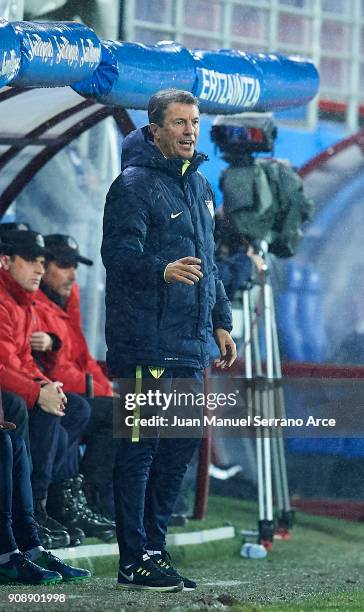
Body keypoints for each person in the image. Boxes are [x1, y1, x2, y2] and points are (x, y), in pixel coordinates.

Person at [102, 89, 236, 592]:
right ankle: (132, 560)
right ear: (154, 129)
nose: (189, 131)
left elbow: (210, 264)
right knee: (140, 450)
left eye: (195, 122)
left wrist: (221, 319)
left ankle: (154, 552)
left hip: (187, 343)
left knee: (181, 446)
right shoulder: (132, 186)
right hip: (143, 344)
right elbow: (117, 253)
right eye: (178, 123)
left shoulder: (200, 186)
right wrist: (161, 269)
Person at [0, 237, 90, 584]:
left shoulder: (25, 301)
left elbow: (25, 360)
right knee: (19, 415)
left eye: (43, 260)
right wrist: (40, 391)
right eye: (32, 259)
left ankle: (36, 529)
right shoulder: (15, 300)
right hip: (13, 396)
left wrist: (46, 386)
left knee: (75, 407)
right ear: (5, 261)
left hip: (26, 389)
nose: (40, 267)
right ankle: (30, 524)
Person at [33, 233, 116, 520]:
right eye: (65, 265)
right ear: (44, 267)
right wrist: (104, 393)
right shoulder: (34, 303)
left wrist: (107, 388)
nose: (73, 274)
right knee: (118, 414)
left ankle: (98, 499)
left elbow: (83, 358)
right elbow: (56, 372)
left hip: (73, 393)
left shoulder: (66, 303)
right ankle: (84, 499)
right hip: (57, 393)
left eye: (75, 266)